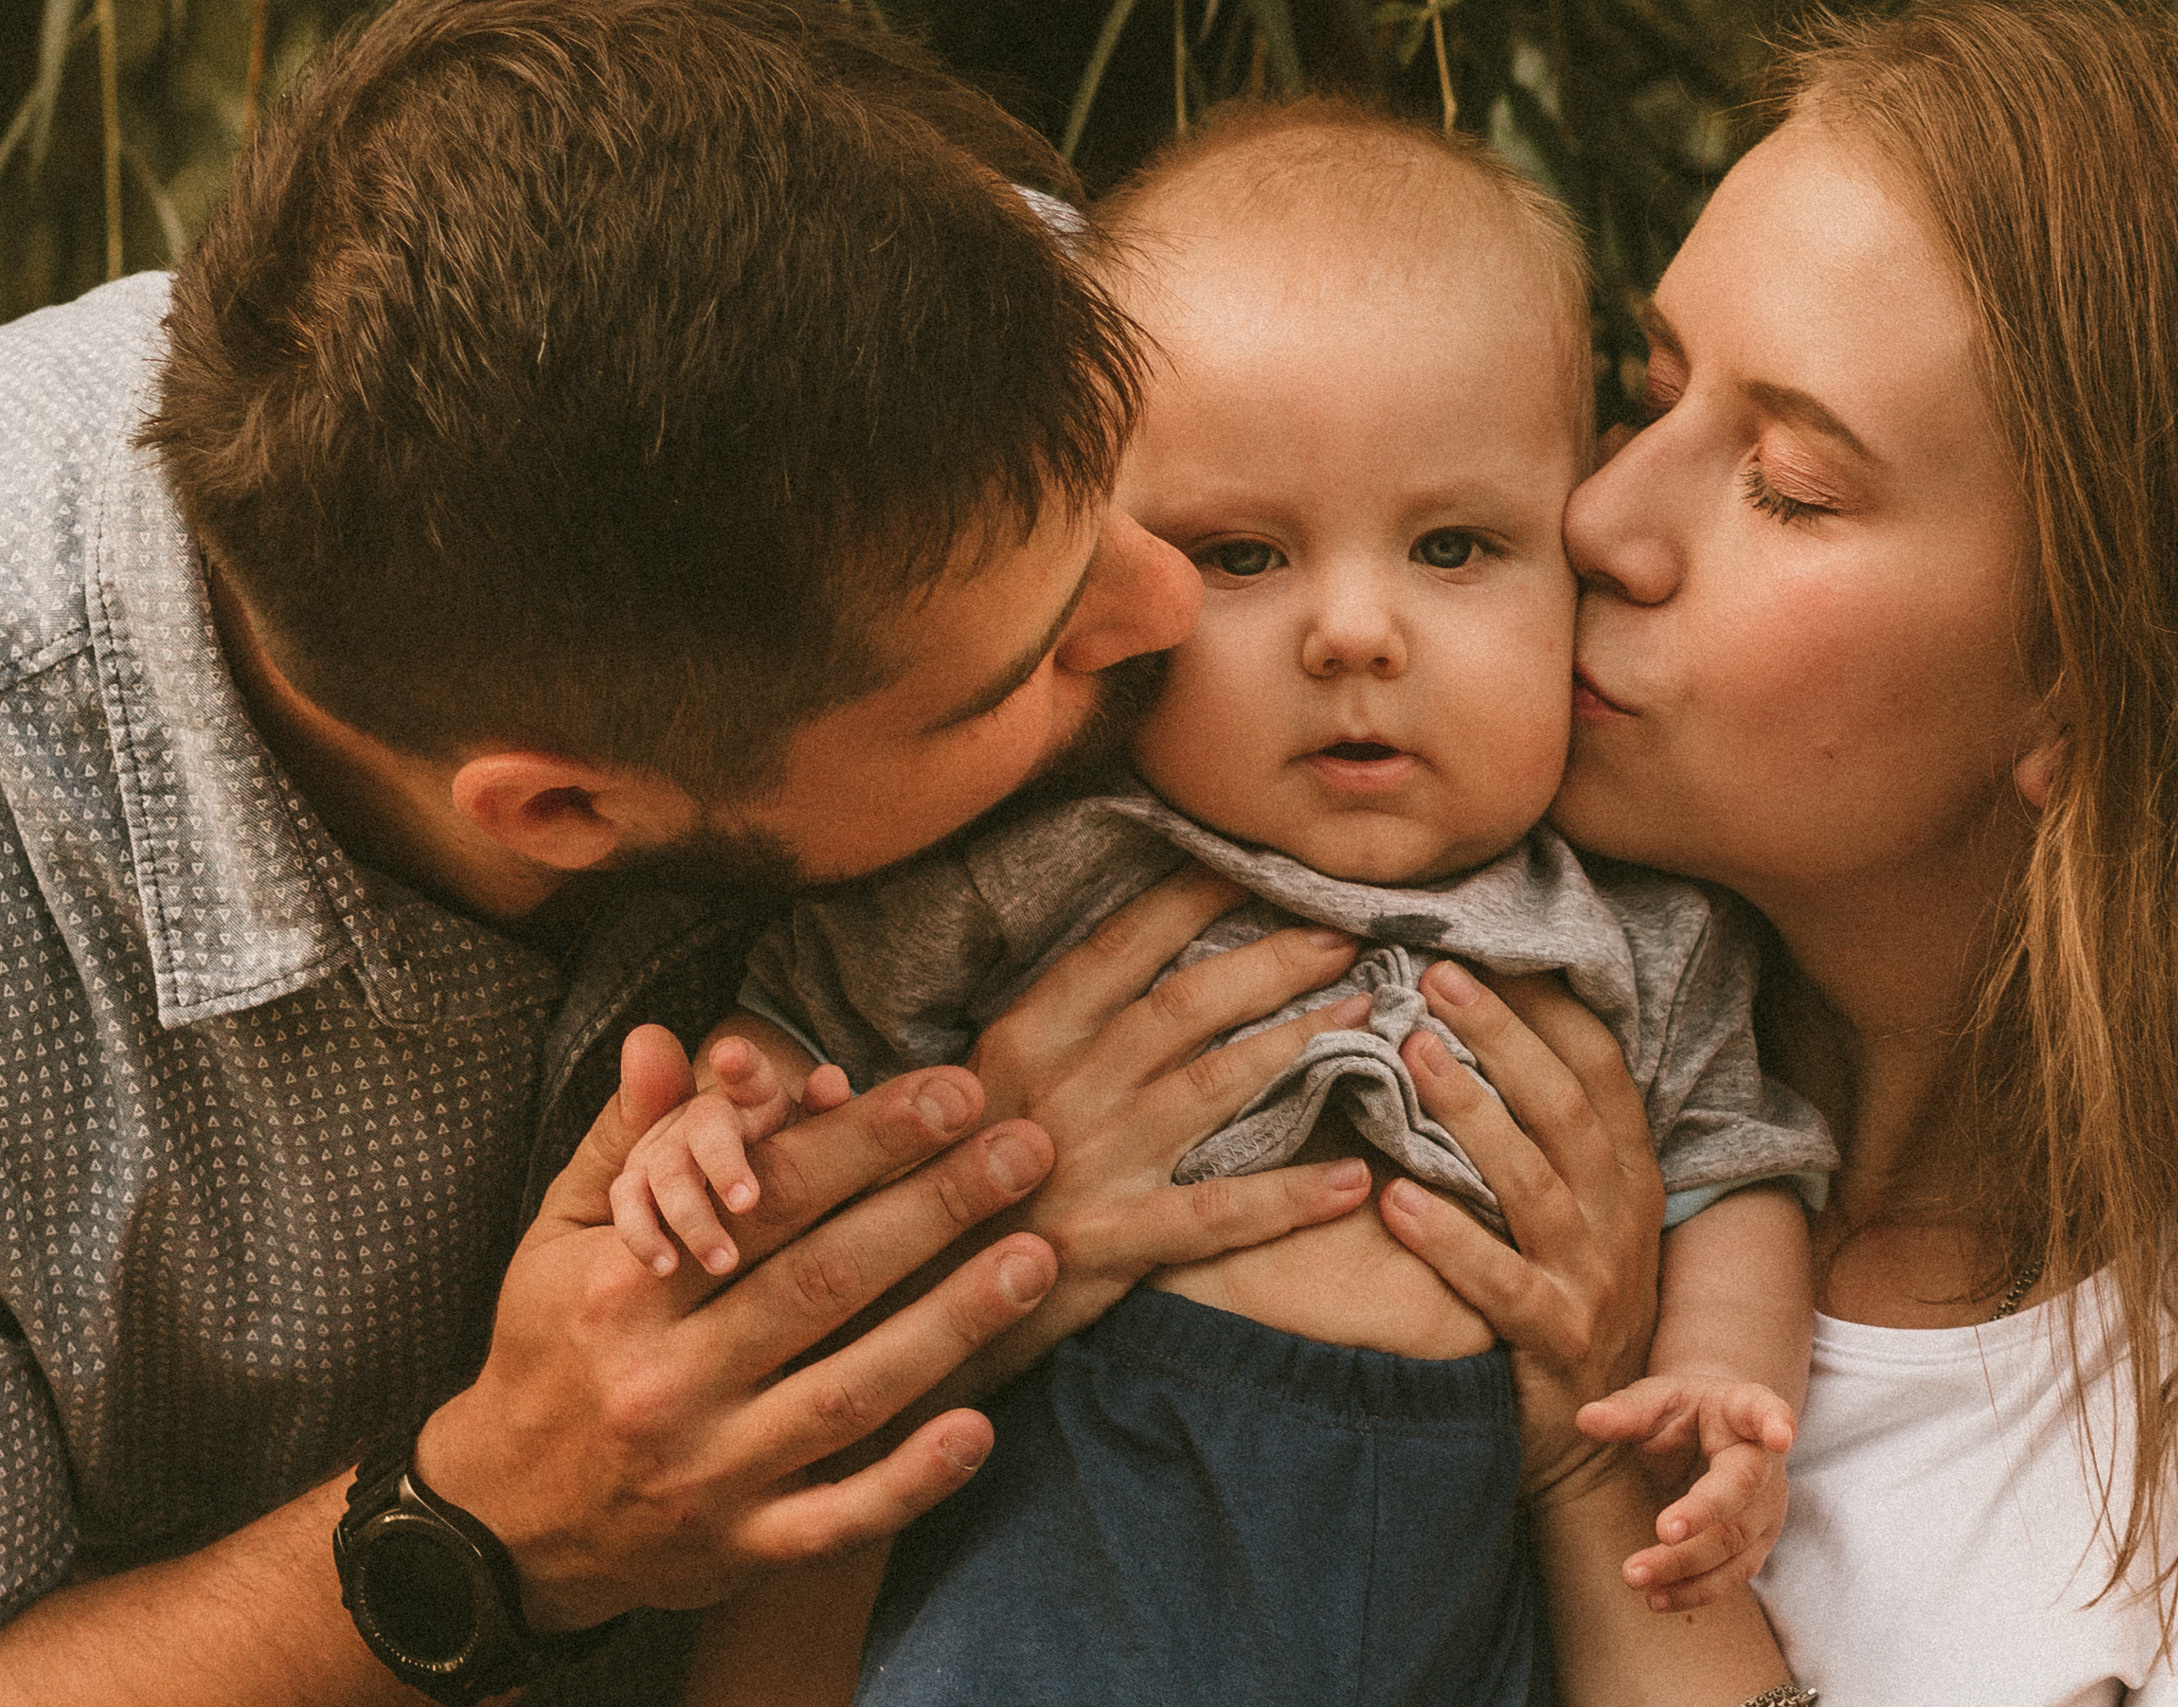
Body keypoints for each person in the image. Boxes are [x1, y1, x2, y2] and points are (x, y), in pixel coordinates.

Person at [0, 4, 1387, 1702]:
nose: (1170, 599)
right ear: (566, 811)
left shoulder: (936, 267)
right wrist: (491, 1527)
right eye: (1020, 672)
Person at [1380, 2, 2178, 1701]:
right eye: (1651, 392)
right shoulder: (1374, 957)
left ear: (2097, 683)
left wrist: (1590, 1475)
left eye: (1789, 483)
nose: (1602, 519)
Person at [611, 102, 1831, 1706]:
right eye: (1245, 556)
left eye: (1453, 545)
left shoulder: (1642, 936)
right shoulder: (1058, 864)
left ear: (1574, 552)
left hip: (1455, 1603)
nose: (1355, 633)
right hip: (1068, 1583)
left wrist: (1723, 1385)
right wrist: (725, 1120)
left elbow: (1735, 1169)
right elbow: (812, 1026)